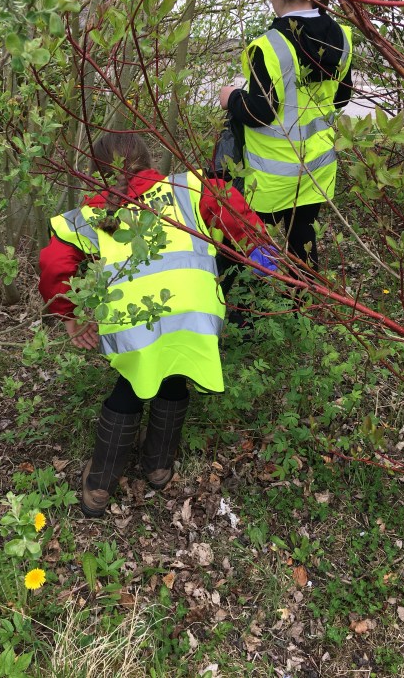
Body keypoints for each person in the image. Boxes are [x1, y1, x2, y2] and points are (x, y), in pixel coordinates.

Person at [38, 132, 277, 517]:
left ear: (98, 174)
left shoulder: (92, 214)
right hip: (193, 314)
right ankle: (158, 466)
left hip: (133, 324)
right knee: (175, 375)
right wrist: (261, 250)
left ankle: (99, 485)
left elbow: (53, 263)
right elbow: (230, 206)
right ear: (150, 161)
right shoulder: (187, 188)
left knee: (132, 386)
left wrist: (70, 316)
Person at [219, 0, 353, 271]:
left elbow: (261, 112)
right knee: (302, 240)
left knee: (239, 243)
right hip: (316, 170)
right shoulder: (341, 37)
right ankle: (304, 295)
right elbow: (341, 98)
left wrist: (231, 97)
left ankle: (231, 295)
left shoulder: (270, 46)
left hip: (269, 179)